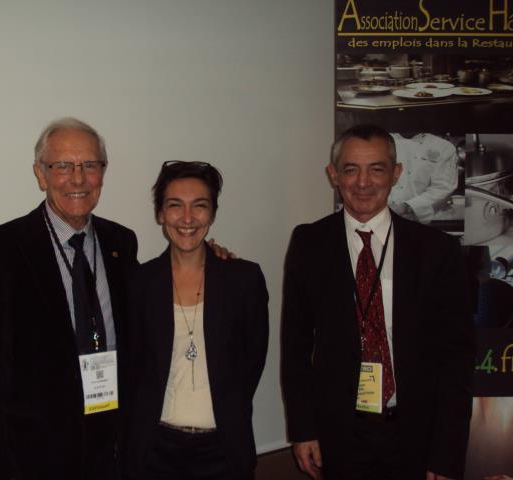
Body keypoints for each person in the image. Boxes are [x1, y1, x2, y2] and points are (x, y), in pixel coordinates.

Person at [0, 119, 230, 479]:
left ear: (103, 173)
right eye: (62, 166)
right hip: (34, 458)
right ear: (41, 174)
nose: (78, 178)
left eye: (90, 165)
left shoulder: (120, 243)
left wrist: (209, 257)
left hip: (113, 449)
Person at [281, 124, 474, 480]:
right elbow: (295, 347)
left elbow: (456, 358)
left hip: (416, 432)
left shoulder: (437, 250)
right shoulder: (310, 243)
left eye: (377, 169)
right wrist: (303, 428)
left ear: (396, 173)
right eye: (351, 169)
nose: (363, 182)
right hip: (339, 433)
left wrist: (447, 452)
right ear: (333, 174)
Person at [123, 161, 269, 480]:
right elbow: (132, 368)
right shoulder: (138, 283)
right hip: (154, 450)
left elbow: (252, 362)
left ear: (213, 213)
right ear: (160, 213)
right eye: (175, 206)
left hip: (224, 450)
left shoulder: (244, 280)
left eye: (199, 206)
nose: (187, 219)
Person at [388, 133, 458, 224]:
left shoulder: (443, 147)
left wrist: (407, 207)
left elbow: (443, 187)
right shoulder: (378, 141)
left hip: (417, 220)